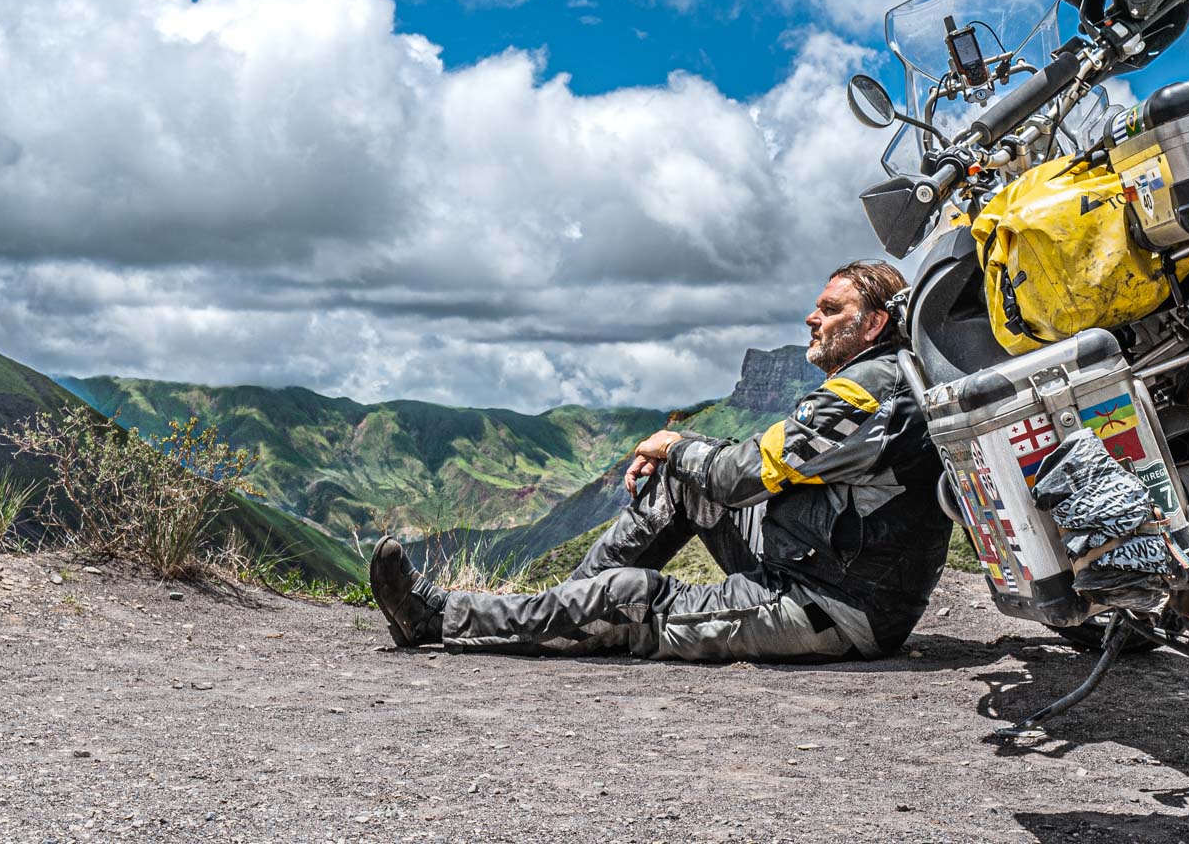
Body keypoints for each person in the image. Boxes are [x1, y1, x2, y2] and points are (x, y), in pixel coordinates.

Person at [368, 260, 954, 662]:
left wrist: (672, 444)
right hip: (814, 558)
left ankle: (438, 619)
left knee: (630, 592)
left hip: (831, 607)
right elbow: (744, 468)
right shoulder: (877, 378)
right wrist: (678, 458)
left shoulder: (867, 393)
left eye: (830, 309)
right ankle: (558, 618)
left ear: (873, 322)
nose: (812, 318)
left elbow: (745, 474)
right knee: (682, 480)